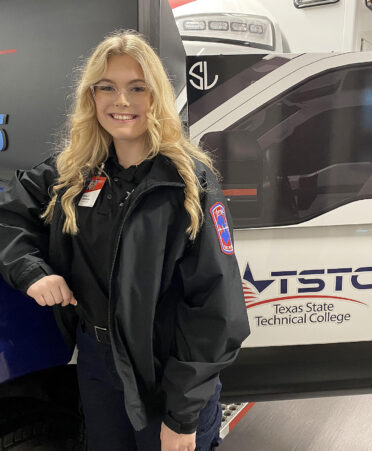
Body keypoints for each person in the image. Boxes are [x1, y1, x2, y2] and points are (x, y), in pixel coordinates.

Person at [0, 29, 250, 451]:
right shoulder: (73, 172)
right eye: (108, 88)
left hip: (165, 374)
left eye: (137, 88)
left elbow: (215, 309)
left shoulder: (188, 184)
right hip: (98, 365)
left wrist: (182, 415)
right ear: (91, 96)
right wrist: (31, 271)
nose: (122, 101)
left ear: (156, 96)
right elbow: (7, 215)